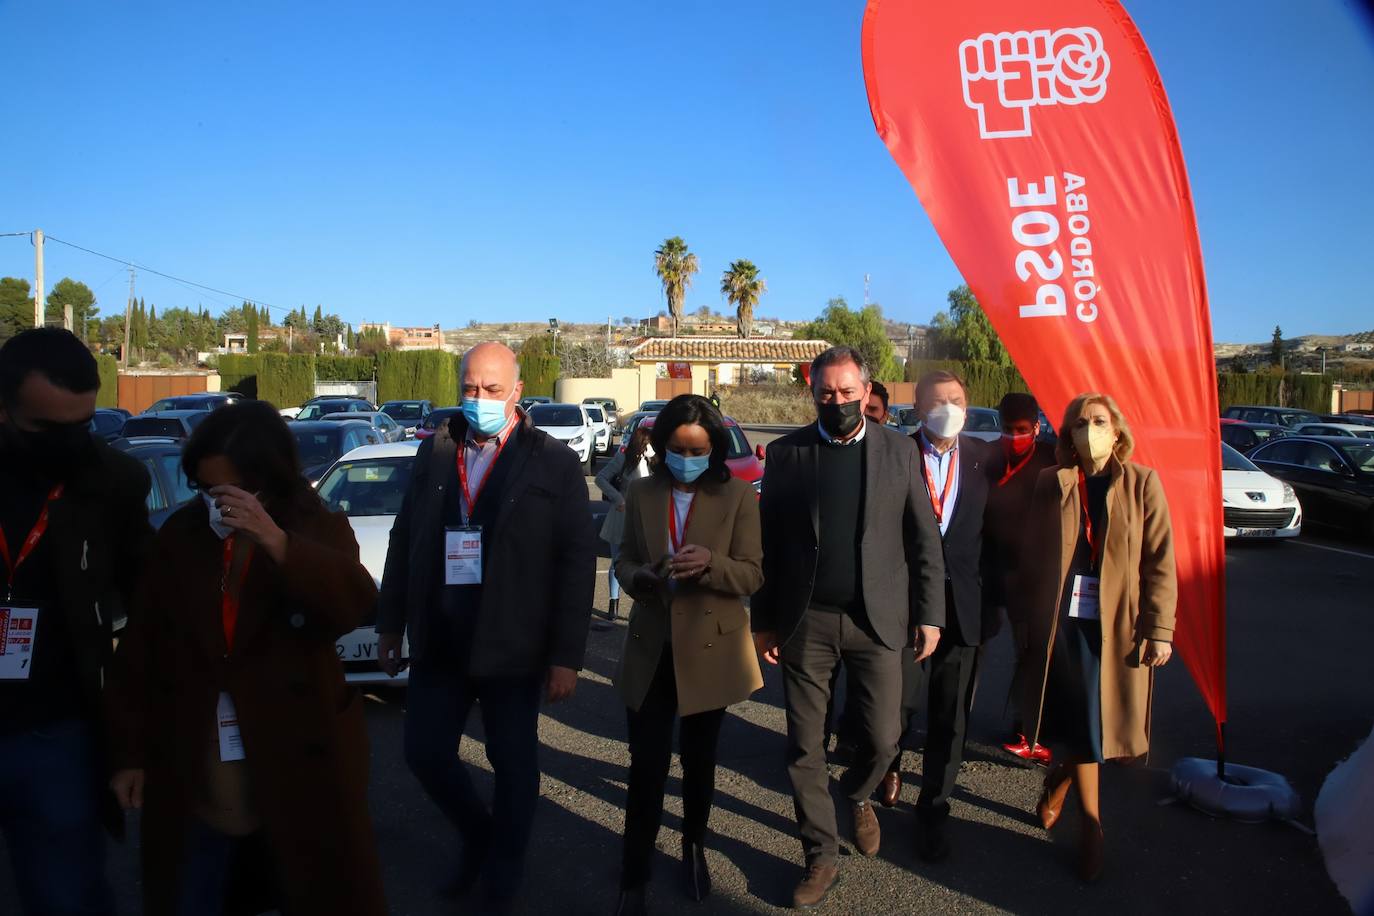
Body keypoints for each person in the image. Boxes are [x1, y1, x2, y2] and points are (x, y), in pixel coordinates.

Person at [106, 400, 385, 916]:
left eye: (230, 490)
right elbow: (141, 647)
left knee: (306, 885)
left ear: (266, 481)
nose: (217, 502)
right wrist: (129, 754)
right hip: (199, 753)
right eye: (206, 490)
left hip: (295, 751)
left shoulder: (318, 528)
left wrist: (276, 542)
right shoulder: (183, 535)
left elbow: (352, 604)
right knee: (195, 886)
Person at [376, 342, 596, 913]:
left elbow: (576, 562)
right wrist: (390, 622)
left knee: (514, 766)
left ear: (517, 393)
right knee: (425, 754)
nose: (480, 401)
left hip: (513, 646)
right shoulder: (435, 450)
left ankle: (504, 870)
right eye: (470, 389)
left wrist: (566, 655)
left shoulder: (553, 461)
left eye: (493, 390)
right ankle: (480, 835)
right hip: (440, 640)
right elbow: (405, 539)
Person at [752, 346, 945, 909]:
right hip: (806, 622)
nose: (836, 402)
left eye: (846, 392)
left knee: (885, 738)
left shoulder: (898, 452)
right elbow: (768, 546)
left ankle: (858, 794)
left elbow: (923, 539)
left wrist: (931, 613)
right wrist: (763, 622)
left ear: (866, 390)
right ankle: (820, 854)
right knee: (802, 746)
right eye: (825, 393)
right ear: (812, 394)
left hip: (878, 621)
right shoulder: (788, 455)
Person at [0, 328, 152, 916]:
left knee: (67, 895)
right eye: (48, 431)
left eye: (82, 426)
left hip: (57, 734)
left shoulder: (113, 482)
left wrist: (130, 746)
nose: (71, 443)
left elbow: (147, 618)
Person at [1014, 392, 1177, 883]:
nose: (1089, 431)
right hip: (1065, 622)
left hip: (1117, 623)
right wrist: (1027, 618)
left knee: (1102, 724)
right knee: (1086, 716)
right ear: (1067, 436)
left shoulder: (1143, 483)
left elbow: (1160, 561)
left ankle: (1059, 783)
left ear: (1117, 430)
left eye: (1099, 421)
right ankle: (1091, 827)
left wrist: (1159, 628)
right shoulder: (1053, 482)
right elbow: (1033, 555)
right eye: (1080, 424)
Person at [611, 395, 764, 915]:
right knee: (646, 765)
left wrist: (714, 565)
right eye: (676, 448)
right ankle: (635, 870)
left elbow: (752, 574)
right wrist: (642, 577)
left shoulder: (738, 496)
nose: (686, 458)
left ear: (714, 449)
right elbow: (624, 560)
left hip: (709, 647)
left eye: (697, 449)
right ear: (661, 445)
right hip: (652, 648)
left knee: (700, 762)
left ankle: (693, 844)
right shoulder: (641, 492)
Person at [882, 370, 997, 865]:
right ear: (917, 407)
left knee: (951, 720)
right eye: (936, 401)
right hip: (906, 609)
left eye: (956, 399)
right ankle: (887, 766)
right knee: (895, 709)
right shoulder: (895, 455)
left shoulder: (985, 461)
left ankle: (933, 810)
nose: (947, 407)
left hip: (965, 610)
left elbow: (996, 539)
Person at [985, 392, 1058, 762]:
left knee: (1030, 653)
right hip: (990, 571)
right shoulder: (989, 459)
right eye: (1008, 429)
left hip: (1033, 577)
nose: (1014, 436)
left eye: (1022, 430)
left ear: (1037, 427)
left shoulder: (1050, 460)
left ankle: (1029, 725)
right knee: (973, 647)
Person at [595, 425, 655, 620]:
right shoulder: (623, 458)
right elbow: (600, 478)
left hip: (645, 518)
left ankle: (641, 604)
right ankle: (613, 602)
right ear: (642, 444)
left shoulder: (654, 462)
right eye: (649, 443)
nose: (651, 447)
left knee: (643, 562)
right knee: (617, 562)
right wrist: (617, 498)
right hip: (621, 515)